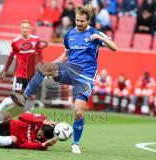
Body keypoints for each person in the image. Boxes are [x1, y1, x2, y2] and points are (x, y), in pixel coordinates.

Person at [11, 4, 117, 154]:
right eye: (77, 20)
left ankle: (76, 144)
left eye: (82, 21)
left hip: (85, 77)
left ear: (88, 20)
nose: (79, 23)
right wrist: (52, 66)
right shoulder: (70, 35)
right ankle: (24, 97)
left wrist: (100, 37)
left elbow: (114, 47)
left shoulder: (95, 34)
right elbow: (66, 55)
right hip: (69, 70)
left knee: (78, 112)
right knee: (42, 68)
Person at [0, 20, 44, 114]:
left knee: (30, 99)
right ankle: (1, 106)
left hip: (31, 75)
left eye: (27, 28)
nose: (25, 29)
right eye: (23, 27)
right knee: (17, 98)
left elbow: (40, 55)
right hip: (20, 74)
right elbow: (10, 57)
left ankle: (27, 120)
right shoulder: (15, 42)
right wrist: (4, 72)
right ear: (20, 29)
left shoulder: (36, 40)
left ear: (30, 29)